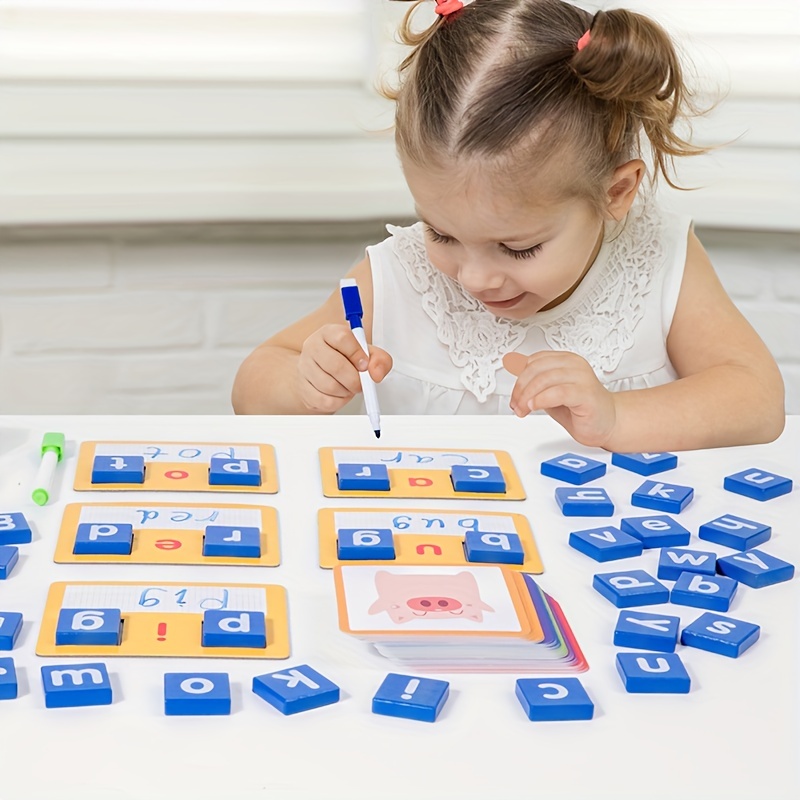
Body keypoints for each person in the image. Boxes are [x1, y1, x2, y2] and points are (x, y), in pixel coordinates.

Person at [232, 0, 785, 451]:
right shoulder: (401, 276)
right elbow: (254, 384)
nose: (474, 277)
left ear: (616, 192)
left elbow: (757, 400)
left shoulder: (656, 259)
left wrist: (617, 417)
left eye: (517, 248)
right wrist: (304, 382)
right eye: (442, 233)